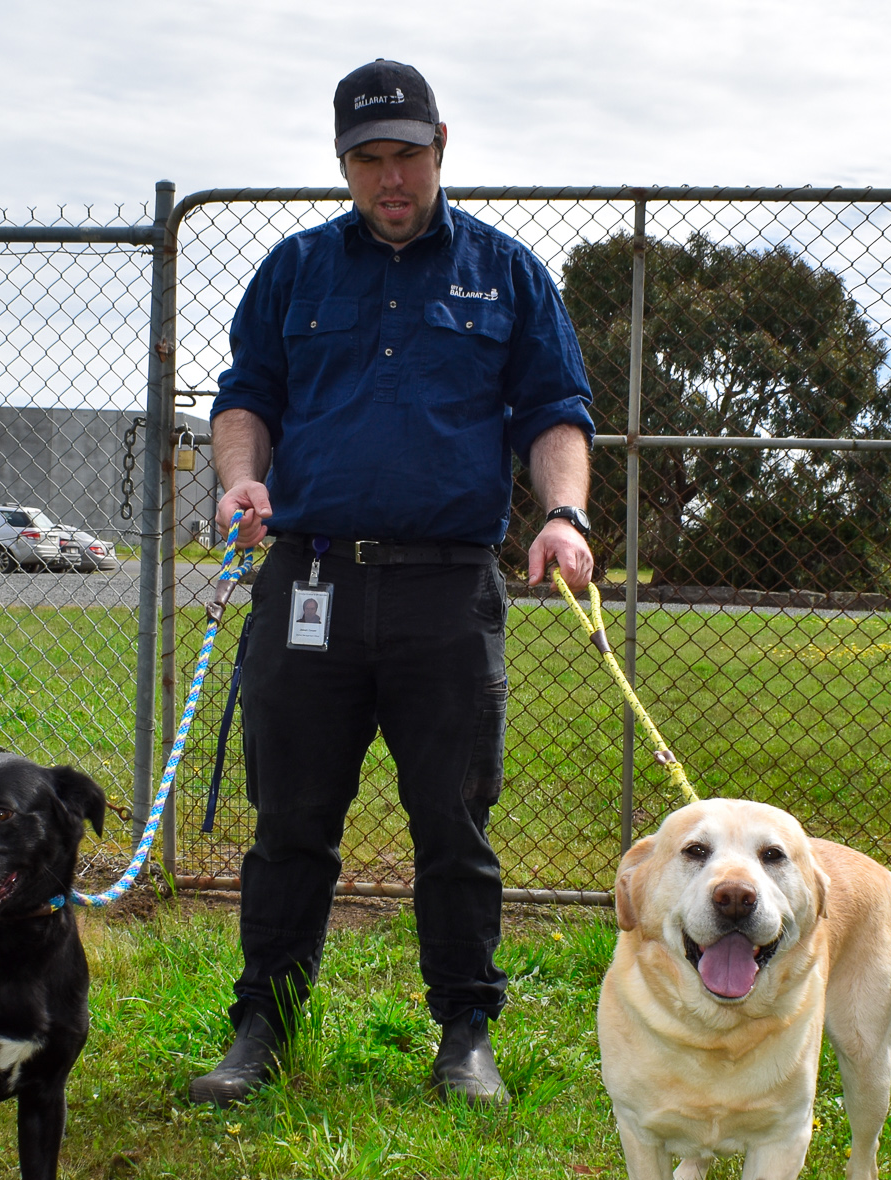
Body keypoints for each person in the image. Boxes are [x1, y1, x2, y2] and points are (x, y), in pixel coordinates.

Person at [191, 58, 597, 1108]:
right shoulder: (293, 272)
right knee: (289, 821)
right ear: (340, 162)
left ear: (440, 146)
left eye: (405, 155)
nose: (389, 179)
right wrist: (241, 480)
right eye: (366, 160)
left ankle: (465, 1032)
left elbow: (554, 412)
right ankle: (261, 1028)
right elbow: (246, 399)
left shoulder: (505, 274)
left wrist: (560, 513)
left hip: (445, 595)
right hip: (310, 581)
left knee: (453, 823)